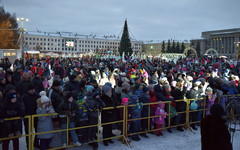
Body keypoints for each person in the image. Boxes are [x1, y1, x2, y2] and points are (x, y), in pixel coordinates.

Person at [22, 83, 40, 149]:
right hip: (28, 118)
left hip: (36, 117)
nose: (33, 91)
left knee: (38, 131)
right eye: (31, 90)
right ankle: (29, 145)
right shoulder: (24, 97)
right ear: (28, 90)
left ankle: (36, 143)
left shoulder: (37, 95)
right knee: (28, 133)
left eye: (34, 89)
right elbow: (22, 107)